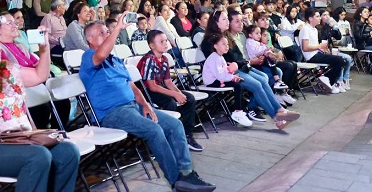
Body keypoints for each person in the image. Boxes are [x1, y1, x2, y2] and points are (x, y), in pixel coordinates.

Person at [79, 16, 217, 191]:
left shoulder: (115, 60)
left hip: (133, 107)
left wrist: (145, 104)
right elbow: (100, 55)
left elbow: (133, 87)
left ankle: (186, 173)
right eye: (102, 33)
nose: (107, 34)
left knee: (175, 125)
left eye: (107, 31)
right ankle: (176, 181)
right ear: (90, 39)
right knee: (154, 130)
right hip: (112, 113)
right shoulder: (88, 57)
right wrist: (117, 30)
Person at [0, 16, 80, 191]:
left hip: (17, 141)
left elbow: (39, 76)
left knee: (67, 152)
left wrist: (44, 48)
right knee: (38, 157)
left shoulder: (6, 68)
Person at [137, 30, 203, 151]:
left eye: (166, 41)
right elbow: (152, 86)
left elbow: (168, 82)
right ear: (152, 45)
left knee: (189, 99)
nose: (165, 43)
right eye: (161, 42)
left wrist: (179, 93)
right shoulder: (149, 60)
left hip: (160, 88)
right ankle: (168, 138)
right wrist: (174, 94)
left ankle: (187, 135)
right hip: (146, 92)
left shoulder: (165, 59)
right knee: (170, 103)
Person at [201, 33, 253, 127]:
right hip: (212, 82)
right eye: (223, 44)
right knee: (238, 85)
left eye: (227, 44)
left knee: (240, 82)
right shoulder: (214, 58)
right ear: (215, 46)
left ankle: (240, 110)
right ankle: (237, 111)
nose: (227, 46)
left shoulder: (220, 57)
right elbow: (220, 76)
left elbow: (224, 72)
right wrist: (232, 78)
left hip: (218, 80)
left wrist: (233, 76)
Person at [298, 8, 349, 93]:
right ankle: (329, 81)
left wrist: (323, 49)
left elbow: (317, 45)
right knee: (339, 60)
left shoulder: (314, 29)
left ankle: (326, 79)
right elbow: (305, 48)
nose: (320, 18)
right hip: (311, 56)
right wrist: (319, 46)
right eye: (317, 16)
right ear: (310, 18)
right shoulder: (306, 29)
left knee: (341, 60)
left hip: (317, 53)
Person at [245, 25, 286, 90]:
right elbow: (256, 51)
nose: (259, 35)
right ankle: (276, 81)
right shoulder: (250, 41)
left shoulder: (258, 42)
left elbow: (265, 51)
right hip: (255, 63)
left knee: (271, 60)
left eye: (259, 33)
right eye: (257, 33)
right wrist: (266, 48)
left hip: (260, 61)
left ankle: (277, 81)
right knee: (269, 62)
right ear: (250, 35)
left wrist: (270, 53)